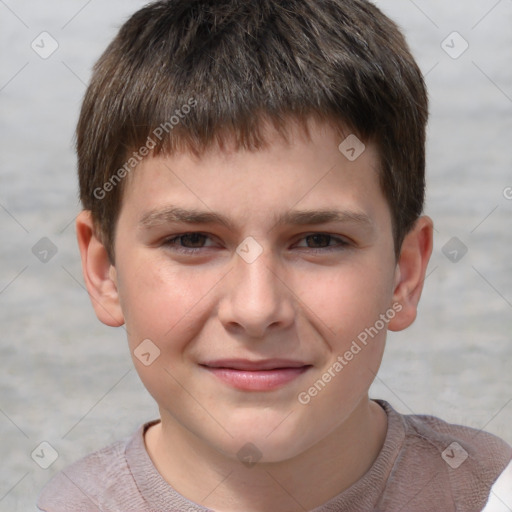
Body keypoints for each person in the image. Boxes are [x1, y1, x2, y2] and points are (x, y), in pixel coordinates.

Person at [37, 0, 512, 510]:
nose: (257, 310)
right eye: (192, 240)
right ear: (105, 271)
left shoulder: (490, 492)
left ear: (405, 275)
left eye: (319, 241)